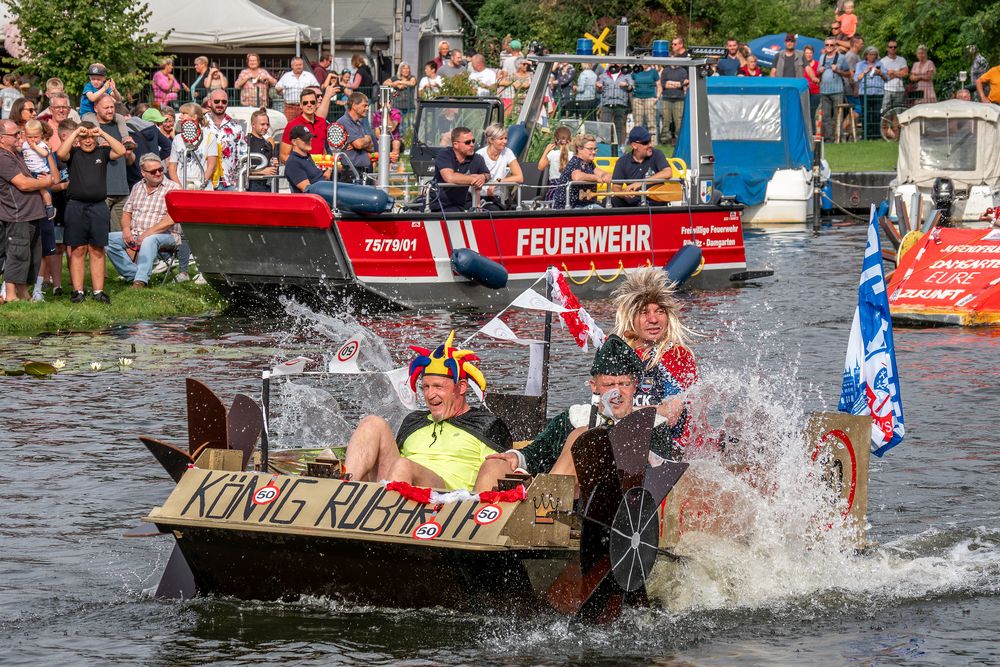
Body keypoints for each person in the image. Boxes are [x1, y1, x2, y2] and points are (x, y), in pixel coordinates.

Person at [474, 334, 681, 492]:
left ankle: (544, 506)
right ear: (594, 387)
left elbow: (658, 479)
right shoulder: (573, 417)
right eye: (609, 384)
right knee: (495, 465)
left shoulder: (654, 424)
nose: (617, 392)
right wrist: (515, 457)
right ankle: (479, 531)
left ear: (635, 386)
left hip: (611, 511)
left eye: (624, 384)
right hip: (560, 497)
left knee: (584, 436)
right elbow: (536, 452)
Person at [343, 331, 513, 492]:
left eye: (438, 387)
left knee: (404, 465)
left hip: (447, 500)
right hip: (395, 482)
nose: (430, 395)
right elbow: (388, 461)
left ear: (461, 387)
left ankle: (381, 512)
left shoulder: (486, 424)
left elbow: (499, 469)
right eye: (425, 387)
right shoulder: (413, 421)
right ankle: (344, 490)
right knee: (372, 423)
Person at [611, 267, 697, 419]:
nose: (653, 319)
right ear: (631, 318)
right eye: (644, 312)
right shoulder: (617, 354)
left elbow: (673, 414)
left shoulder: (677, 355)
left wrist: (628, 411)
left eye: (659, 311)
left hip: (671, 438)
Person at [55, 121, 126, 304]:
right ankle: (77, 291)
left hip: (98, 206)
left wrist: (102, 133)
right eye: (84, 138)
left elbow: (121, 151)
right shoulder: (74, 154)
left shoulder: (102, 152)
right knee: (78, 249)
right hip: (76, 206)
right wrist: (76, 133)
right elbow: (61, 153)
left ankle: (98, 291)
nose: (88, 141)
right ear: (78, 139)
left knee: (97, 249)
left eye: (91, 137)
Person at [105, 153, 181, 288]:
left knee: (149, 240)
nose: (158, 173)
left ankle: (140, 281)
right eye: (153, 171)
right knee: (107, 240)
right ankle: (133, 274)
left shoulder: (173, 188)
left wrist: (147, 233)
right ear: (143, 173)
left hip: (167, 235)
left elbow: (171, 219)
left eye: (160, 170)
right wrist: (126, 230)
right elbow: (127, 212)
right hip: (137, 232)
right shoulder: (137, 187)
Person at [0, 119, 53, 303]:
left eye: (19, 133)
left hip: (31, 213)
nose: (19, 137)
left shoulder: (17, 153)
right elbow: (22, 183)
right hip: (17, 214)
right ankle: (11, 295)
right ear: (1, 138)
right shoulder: (2, 157)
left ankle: (23, 294)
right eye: (15, 134)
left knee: (30, 256)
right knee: (17, 253)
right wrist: (46, 183)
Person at [82, 95, 134, 232]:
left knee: (121, 234)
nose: (110, 110)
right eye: (106, 107)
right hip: (102, 191)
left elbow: (130, 161)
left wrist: (129, 153)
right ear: (96, 109)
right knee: (100, 232)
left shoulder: (120, 126)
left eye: (112, 107)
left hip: (122, 189)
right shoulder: (90, 130)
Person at [610, 126, 673, 208]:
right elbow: (616, 187)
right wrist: (625, 194)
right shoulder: (622, 162)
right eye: (646, 142)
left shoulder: (657, 154)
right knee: (611, 201)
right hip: (633, 205)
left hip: (656, 203)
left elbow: (668, 173)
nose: (650, 145)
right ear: (634, 145)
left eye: (650, 141)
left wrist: (640, 183)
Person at [432, 126, 490, 212]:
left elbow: (487, 174)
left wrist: (483, 177)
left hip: (458, 205)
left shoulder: (477, 158)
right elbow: (449, 177)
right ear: (455, 144)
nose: (472, 144)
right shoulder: (444, 155)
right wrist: (474, 179)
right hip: (436, 204)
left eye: (473, 141)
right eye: (467, 142)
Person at [551, 133, 611, 209]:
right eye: (590, 149)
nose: (594, 152)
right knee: (604, 214)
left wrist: (606, 175)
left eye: (595, 149)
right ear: (579, 149)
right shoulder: (575, 162)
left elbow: (601, 173)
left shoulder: (589, 163)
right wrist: (596, 178)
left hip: (584, 205)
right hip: (570, 207)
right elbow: (577, 176)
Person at [167, 103, 217, 190]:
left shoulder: (209, 137)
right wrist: (179, 187)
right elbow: (172, 167)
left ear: (194, 117)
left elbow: (211, 166)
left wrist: (201, 185)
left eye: (184, 114)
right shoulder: (177, 139)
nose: (180, 117)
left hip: (203, 187)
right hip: (181, 186)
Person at [205, 89, 247, 190]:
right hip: (206, 181)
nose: (220, 104)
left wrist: (239, 180)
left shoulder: (236, 127)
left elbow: (243, 155)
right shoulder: (201, 124)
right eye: (216, 101)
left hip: (229, 183)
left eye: (224, 102)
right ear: (209, 102)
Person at [279, 86, 335, 163]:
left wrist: (328, 168)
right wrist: (301, 168)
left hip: (321, 171)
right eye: (305, 103)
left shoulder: (322, 122)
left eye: (312, 102)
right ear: (301, 105)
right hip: (302, 171)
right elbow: (283, 156)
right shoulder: (292, 125)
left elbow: (322, 149)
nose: (309, 105)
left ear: (316, 104)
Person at [474, 123, 523, 210]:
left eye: (506, 138)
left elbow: (519, 177)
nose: (505, 142)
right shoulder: (480, 155)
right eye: (501, 139)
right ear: (491, 140)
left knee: (495, 210)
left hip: (495, 197)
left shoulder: (508, 152)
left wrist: (498, 181)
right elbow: (474, 179)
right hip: (477, 197)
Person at [336, 92, 377, 181]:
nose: (367, 108)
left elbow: (371, 147)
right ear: (354, 105)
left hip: (364, 171)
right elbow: (359, 144)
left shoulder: (360, 123)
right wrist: (366, 140)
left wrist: (365, 141)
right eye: (364, 105)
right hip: (352, 173)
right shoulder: (344, 121)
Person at [284, 125, 332, 193]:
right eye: (305, 139)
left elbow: (315, 178)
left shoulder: (307, 157)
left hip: (326, 191)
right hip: (317, 200)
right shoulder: (293, 162)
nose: (310, 140)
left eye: (310, 138)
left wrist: (328, 171)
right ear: (294, 142)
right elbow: (307, 189)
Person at [818, 38, 848, 142]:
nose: (829, 47)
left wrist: (838, 70)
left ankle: (838, 137)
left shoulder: (841, 58)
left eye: (831, 45)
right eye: (827, 45)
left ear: (835, 46)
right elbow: (818, 74)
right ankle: (829, 138)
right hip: (824, 91)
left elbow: (849, 74)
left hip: (837, 91)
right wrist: (820, 72)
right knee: (826, 117)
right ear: (824, 46)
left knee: (838, 116)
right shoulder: (822, 57)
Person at [660, 38, 689, 144]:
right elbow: (664, 84)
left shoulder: (682, 71)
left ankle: (679, 140)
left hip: (679, 98)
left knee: (678, 121)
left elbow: (683, 83)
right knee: (665, 120)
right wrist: (678, 84)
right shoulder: (666, 71)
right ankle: (664, 140)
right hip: (667, 98)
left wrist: (673, 84)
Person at [596, 65, 631, 151]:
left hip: (620, 104)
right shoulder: (604, 75)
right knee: (605, 126)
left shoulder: (626, 75)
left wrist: (626, 85)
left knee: (619, 126)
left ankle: (619, 147)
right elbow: (599, 90)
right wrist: (599, 87)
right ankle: (605, 147)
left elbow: (631, 87)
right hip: (607, 103)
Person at [276, 57, 321, 122]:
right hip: (290, 107)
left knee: (306, 123)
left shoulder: (309, 76)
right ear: (292, 66)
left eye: (300, 65)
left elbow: (317, 88)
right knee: (290, 125)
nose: (299, 67)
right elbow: (278, 88)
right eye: (296, 65)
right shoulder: (286, 76)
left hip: (306, 105)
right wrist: (279, 89)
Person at [855, 47, 886, 140]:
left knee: (876, 114)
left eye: (874, 55)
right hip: (864, 93)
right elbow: (857, 78)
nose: (873, 56)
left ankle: (876, 135)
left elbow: (886, 78)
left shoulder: (880, 64)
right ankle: (867, 135)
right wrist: (866, 71)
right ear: (866, 55)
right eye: (871, 54)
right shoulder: (860, 65)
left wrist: (880, 73)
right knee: (866, 114)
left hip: (878, 92)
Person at [247, 108, 277, 192]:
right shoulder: (247, 142)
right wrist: (263, 171)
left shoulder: (268, 143)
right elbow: (241, 169)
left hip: (267, 187)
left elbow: (271, 168)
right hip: (251, 188)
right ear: (253, 125)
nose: (266, 127)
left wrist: (273, 165)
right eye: (262, 124)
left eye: (267, 124)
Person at [630, 64, 660, 143]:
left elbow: (659, 85)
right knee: (638, 123)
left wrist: (657, 97)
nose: (644, 64)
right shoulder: (635, 72)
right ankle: (638, 142)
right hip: (637, 99)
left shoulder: (653, 72)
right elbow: (630, 84)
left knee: (651, 122)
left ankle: (652, 142)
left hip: (650, 99)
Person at [880, 40, 909, 112]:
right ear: (887, 48)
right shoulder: (882, 61)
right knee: (885, 112)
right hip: (887, 89)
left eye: (895, 47)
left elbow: (905, 73)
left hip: (899, 89)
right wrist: (899, 72)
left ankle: (896, 124)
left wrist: (892, 72)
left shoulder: (902, 60)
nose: (893, 48)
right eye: (890, 47)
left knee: (898, 112)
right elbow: (883, 76)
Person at [802, 45, 821, 127]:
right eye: (806, 53)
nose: (808, 55)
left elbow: (820, 78)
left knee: (812, 112)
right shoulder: (801, 65)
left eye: (810, 53)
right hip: (804, 91)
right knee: (804, 112)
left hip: (815, 92)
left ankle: (812, 131)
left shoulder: (817, 64)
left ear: (813, 54)